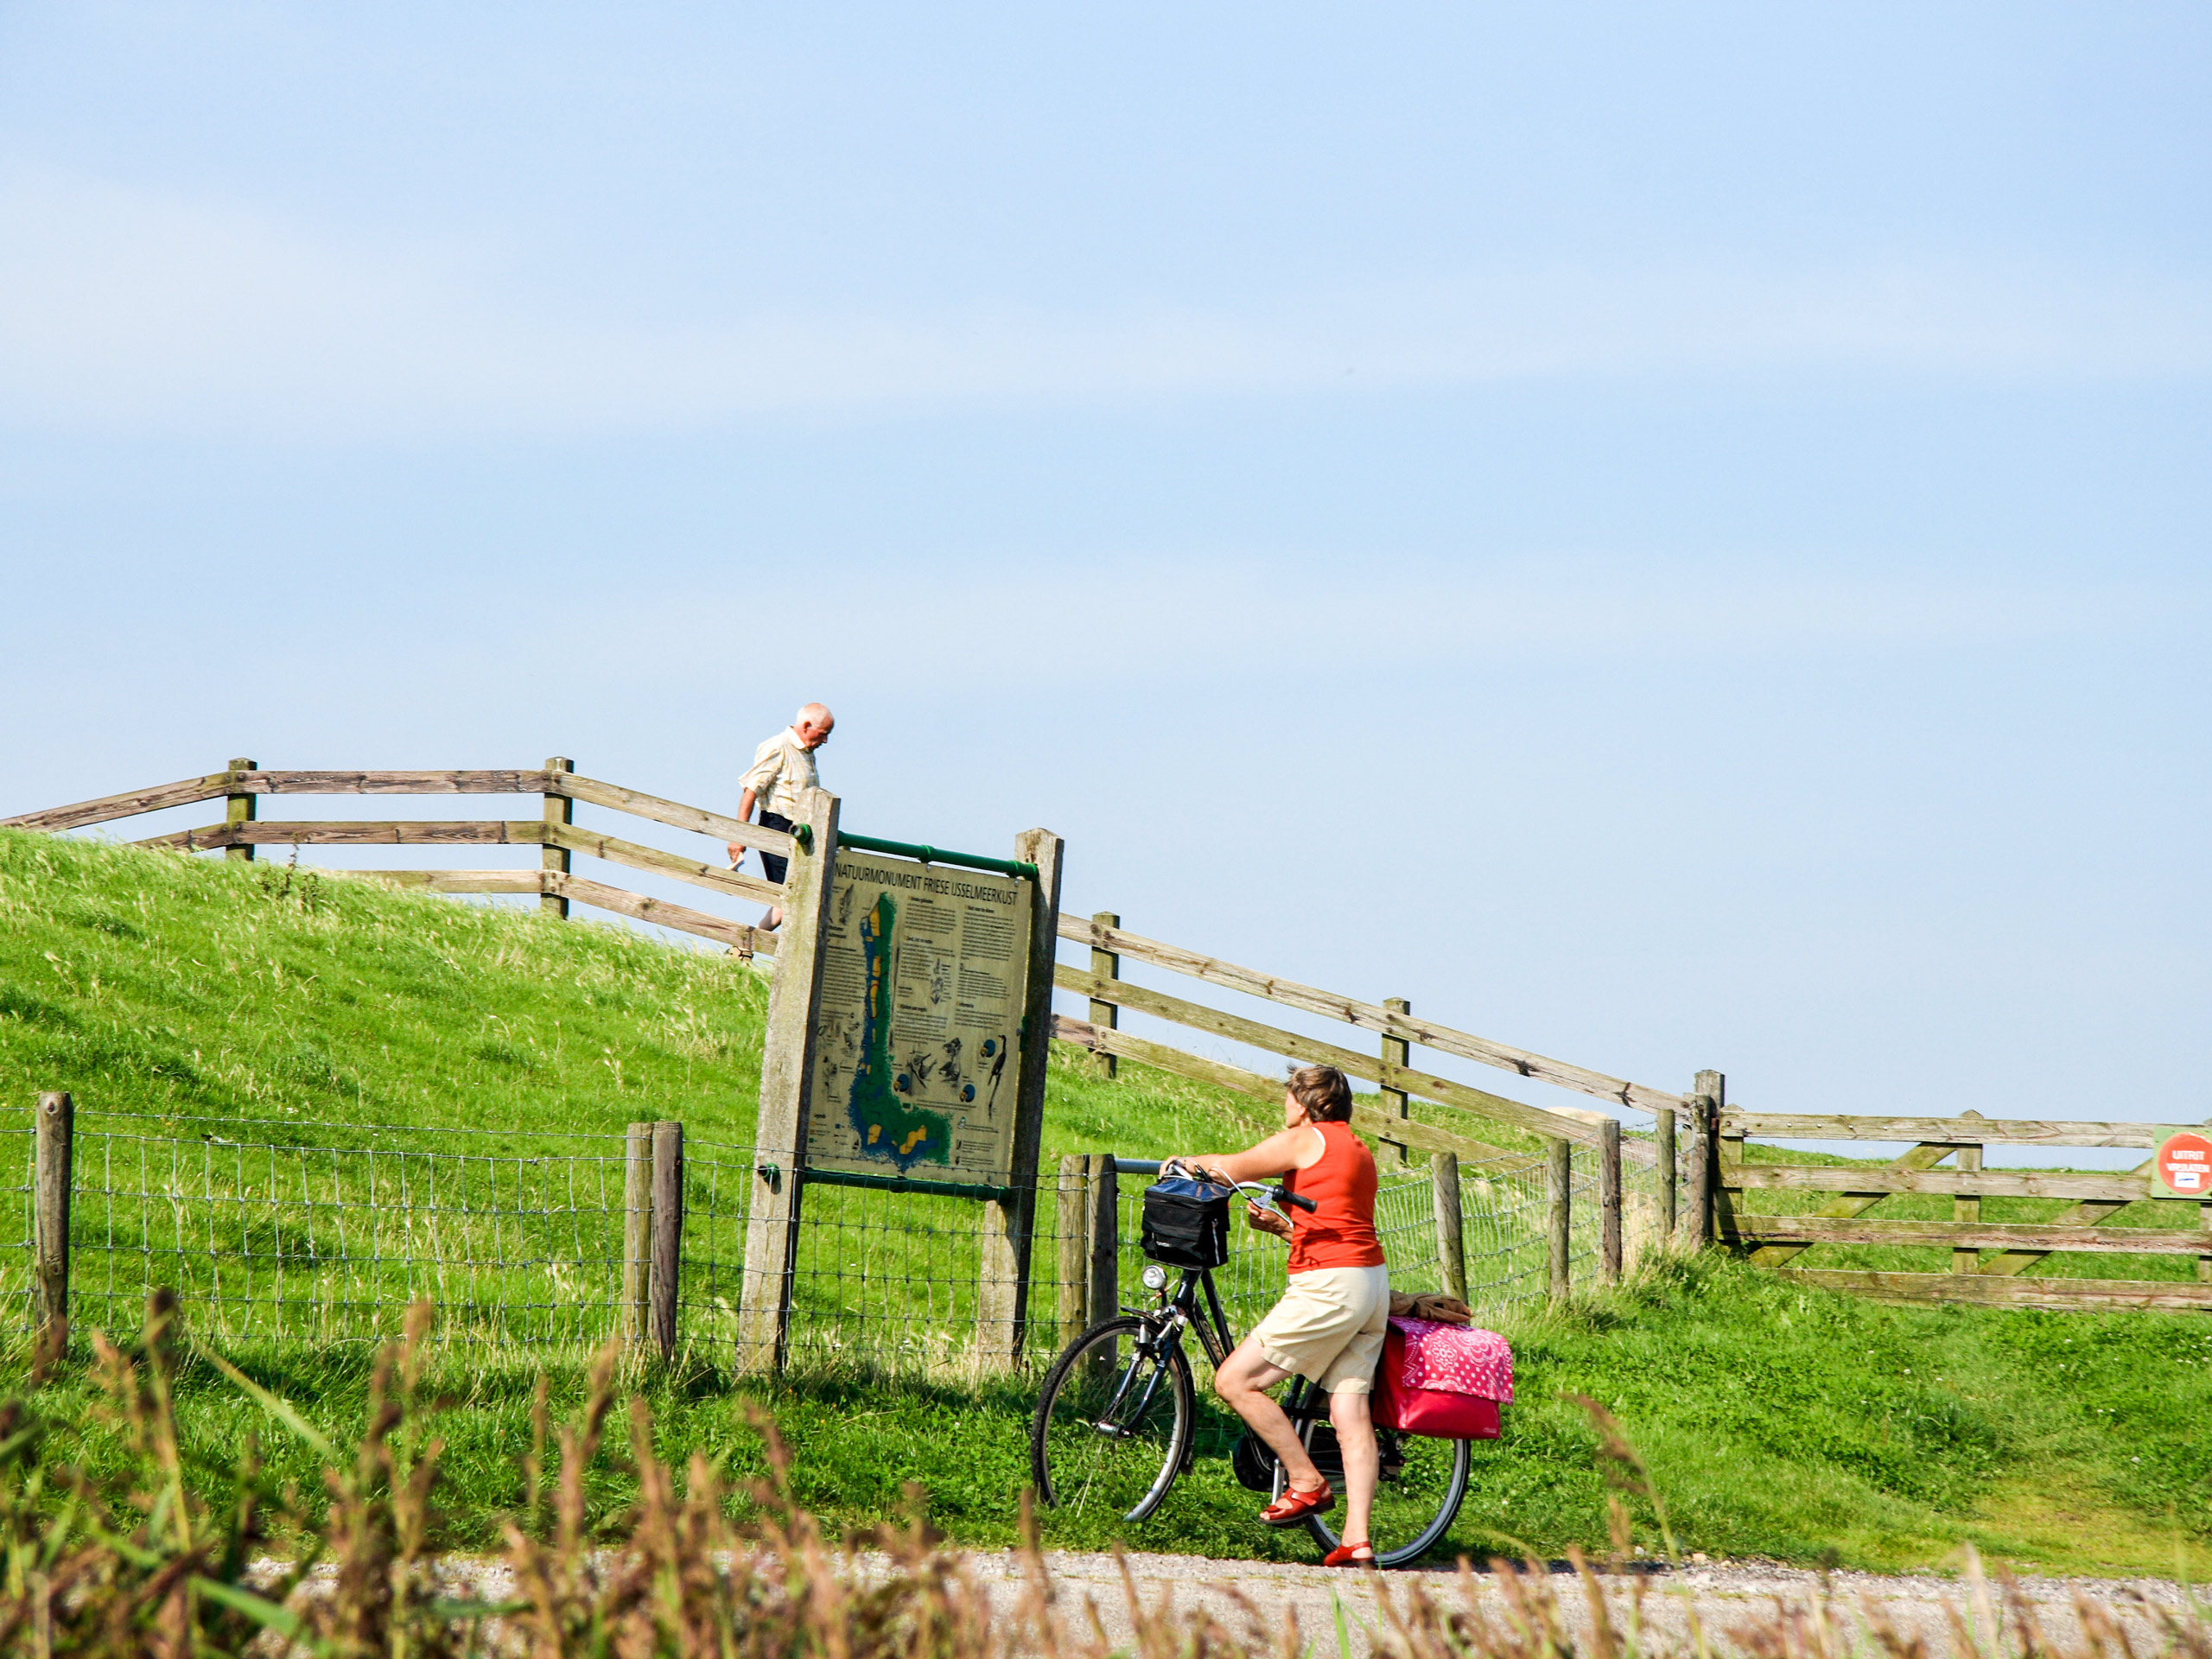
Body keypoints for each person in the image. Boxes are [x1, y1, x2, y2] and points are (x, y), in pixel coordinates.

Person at [1161, 1064, 1387, 1568]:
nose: (1284, 1108)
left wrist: (1181, 1161)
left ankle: (1305, 1481)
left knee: (1236, 1382)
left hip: (1328, 1287)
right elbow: (1339, 1226)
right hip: (1371, 1285)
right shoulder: (1357, 1148)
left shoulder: (1307, 1138)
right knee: (1350, 1415)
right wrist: (1286, 1230)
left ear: (1305, 1104)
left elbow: (1232, 1168)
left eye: (1287, 1098)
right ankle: (1357, 1541)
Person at [727, 702, 834, 930]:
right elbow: (751, 789)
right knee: (792, 896)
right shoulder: (779, 747)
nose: (825, 741)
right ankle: (746, 944)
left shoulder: (806, 753)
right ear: (806, 726)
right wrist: (739, 835)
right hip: (777, 826)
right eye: (823, 734)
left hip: (801, 833)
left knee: (794, 897)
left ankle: (746, 944)